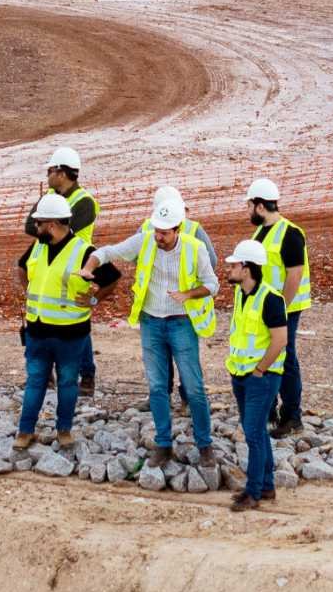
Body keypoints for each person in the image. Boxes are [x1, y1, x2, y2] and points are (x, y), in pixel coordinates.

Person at [77, 188, 219, 468]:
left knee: (194, 387)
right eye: (156, 230)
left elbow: (212, 284)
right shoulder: (145, 241)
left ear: (178, 229)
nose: (158, 236)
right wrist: (89, 266)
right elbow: (107, 252)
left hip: (181, 323)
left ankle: (205, 445)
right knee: (156, 387)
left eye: (164, 232)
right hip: (152, 323)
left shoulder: (195, 248)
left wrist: (189, 295)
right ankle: (163, 444)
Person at [15, 193, 119, 450]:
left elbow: (112, 279)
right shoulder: (38, 247)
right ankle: (25, 431)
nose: (35, 228)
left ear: (51, 225)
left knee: (67, 382)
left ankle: (64, 430)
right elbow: (22, 267)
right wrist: (29, 292)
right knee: (36, 381)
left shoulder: (84, 251)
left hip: (70, 335)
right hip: (37, 331)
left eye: (38, 223)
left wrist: (95, 300)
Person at [24, 146, 102, 396]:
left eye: (50, 170)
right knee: (42, 319)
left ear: (62, 172)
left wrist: (47, 222)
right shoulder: (50, 194)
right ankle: (45, 374)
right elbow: (30, 226)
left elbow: (63, 232)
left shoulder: (85, 202)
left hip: (76, 268)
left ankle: (87, 374)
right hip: (46, 263)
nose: (47, 175)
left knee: (76, 321)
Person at [222, 239, 288, 512]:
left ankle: (254, 492)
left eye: (235, 264)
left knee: (253, 434)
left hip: (261, 376)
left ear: (247, 268)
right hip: (241, 373)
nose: (230, 269)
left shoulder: (270, 298)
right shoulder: (242, 293)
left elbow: (280, 340)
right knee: (257, 431)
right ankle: (266, 486)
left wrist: (260, 370)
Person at [245, 178, 310, 439]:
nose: (248, 211)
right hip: (266, 307)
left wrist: (281, 308)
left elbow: (294, 274)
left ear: (260, 206)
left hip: (285, 308)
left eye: (249, 206)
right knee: (266, 353)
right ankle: (269, 410)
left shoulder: (290, 233)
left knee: (285, 357)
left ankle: (292, 416)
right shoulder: (260, 233)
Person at [157, 186, 220, 414]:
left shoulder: (192, 229)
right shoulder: (153, 228)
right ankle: (179, 400)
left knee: (176, 355)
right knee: (174, 354)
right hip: (164, 305)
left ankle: (181, 399)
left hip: (182, 306)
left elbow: (210, 262)